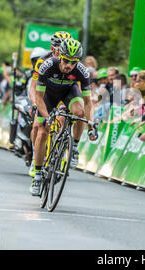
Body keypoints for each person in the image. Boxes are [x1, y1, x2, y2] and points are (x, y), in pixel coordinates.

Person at [30, 38, 96, 195]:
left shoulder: (82, 71)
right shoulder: (47, 65)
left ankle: (73, 147)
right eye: (66, 60)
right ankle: (38, 175)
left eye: (73, 62)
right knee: (43, 130)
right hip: (48, 96)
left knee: (79, 113)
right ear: (60, 56)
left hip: (69, 93)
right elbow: (38, 97)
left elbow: (88, 102)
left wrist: (91, 125)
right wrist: (47, 117)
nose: (69, 66)